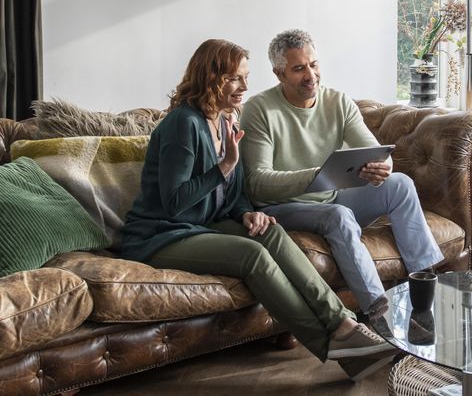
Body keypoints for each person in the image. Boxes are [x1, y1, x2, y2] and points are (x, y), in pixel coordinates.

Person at [120, 38, 397, 381]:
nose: (245, 86)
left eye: (245, 77)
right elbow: (175, 201)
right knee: (252, 255)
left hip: (206, 224)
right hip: (161, 233)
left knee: (270, 231)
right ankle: (332, 344)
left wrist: (246, 213)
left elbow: (234, 195)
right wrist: (223, 167)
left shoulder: (227, 122)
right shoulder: (184, 124)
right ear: (212, 78)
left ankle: (342, 323)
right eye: (235, 78)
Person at [239, 29, 445, 319]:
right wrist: (317, 175)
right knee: (337, 215)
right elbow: (258, 183)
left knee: (400, 184)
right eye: (299, 68)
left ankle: (424, 286)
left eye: (314, 64)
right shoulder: (258, 110)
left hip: (332, 195)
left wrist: (382, 169)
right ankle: (376, 312)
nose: (310, 75)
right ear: (279, 73)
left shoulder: (337, 102)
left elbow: (378, 153)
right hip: (284, 206)